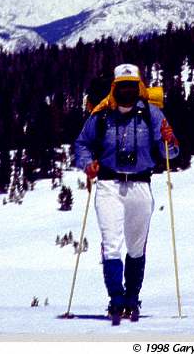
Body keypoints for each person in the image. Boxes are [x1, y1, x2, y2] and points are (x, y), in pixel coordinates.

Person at [75, 63, 179, 323]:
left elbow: (171, 153)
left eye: (132, 87)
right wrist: (88, 164)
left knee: (135, 246)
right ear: (115, 87)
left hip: (141, 185)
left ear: (139, 87)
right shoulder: (100, 116)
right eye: (122, 87)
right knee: (111, 243)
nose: (127, 92)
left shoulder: (152, 115)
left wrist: (170, 140)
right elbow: (82, 144)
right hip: (108, 185)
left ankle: (132, 299)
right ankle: (116, 300)